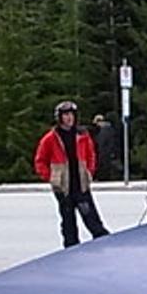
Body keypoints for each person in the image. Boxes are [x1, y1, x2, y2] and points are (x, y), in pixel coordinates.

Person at [33, 100, 109, 246]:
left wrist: (89, 172)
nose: (69, 118)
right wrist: (51, 177)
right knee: (68, 224)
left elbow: (91, 154)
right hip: (63, 188)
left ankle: (103, 244)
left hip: (81, 185)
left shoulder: (82, 136)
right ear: (59, 117)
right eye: (66, 115)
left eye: (72, 115)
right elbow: (40, 161)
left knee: (92, 219)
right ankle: (71, 249)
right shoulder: (50, 138)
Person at [91, 114, 119, 182]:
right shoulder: (110, 129)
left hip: (104, 154)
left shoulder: (103, 131)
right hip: (109, 153)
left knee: (104, 169)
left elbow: (101, 143)